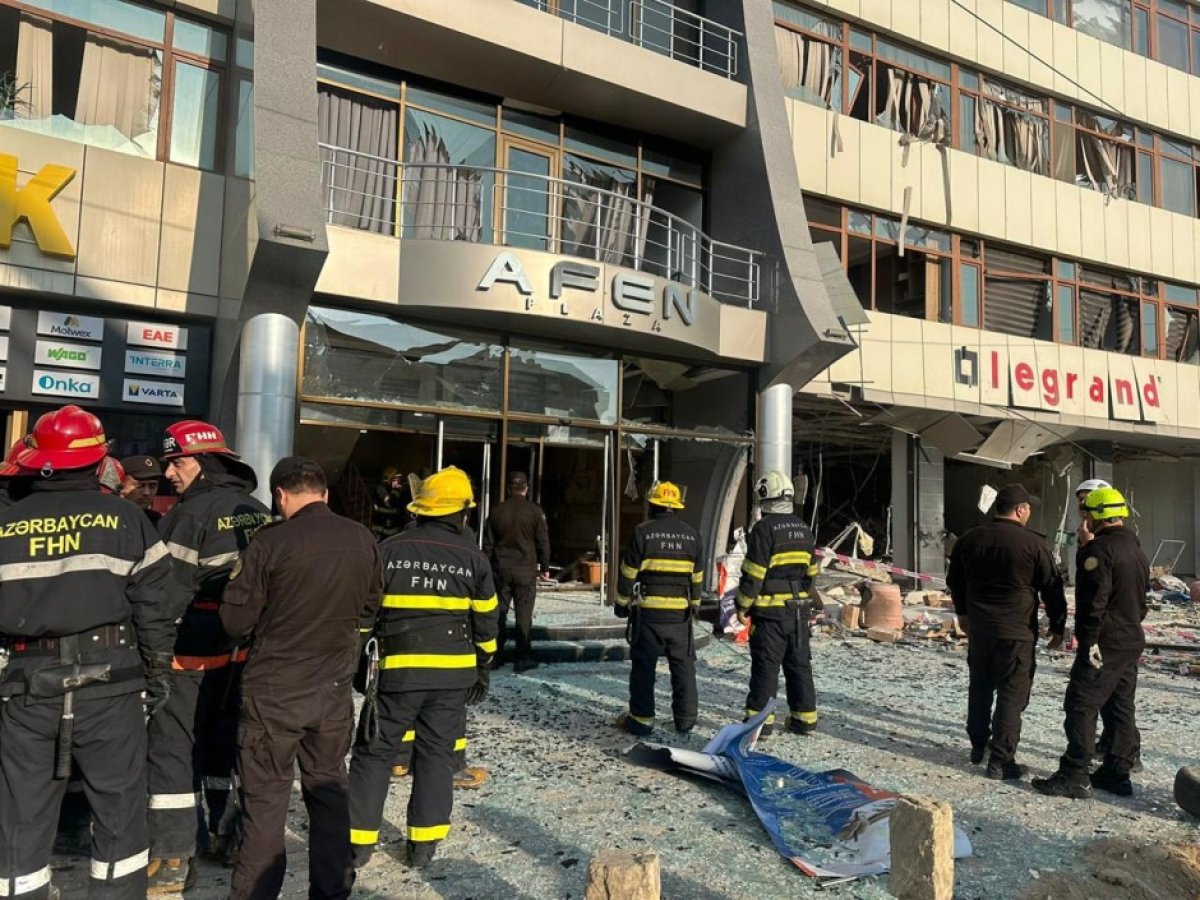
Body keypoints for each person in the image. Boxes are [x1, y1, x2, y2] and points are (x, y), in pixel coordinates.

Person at [0, 405, 185, 899]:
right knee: (120, 811)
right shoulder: (126, 518)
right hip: (112, 684)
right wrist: (157, 675)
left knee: (20, 817)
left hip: (27, 686)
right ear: (100, 461)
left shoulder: (6, 523)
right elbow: (156, 607)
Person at [220, 456, 382, 900]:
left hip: (273, 694)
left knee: (265, 805)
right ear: (324, 494)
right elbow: (370, 605)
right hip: (331, 691)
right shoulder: (362, 538)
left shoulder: (269, 543)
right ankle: (332, 891)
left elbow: (235, 622)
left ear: (280, 495)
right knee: (329, 794)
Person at [348, 466, 497, 870]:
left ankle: (359, 845)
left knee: (374, 753)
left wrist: (360, 661)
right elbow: (486, 624)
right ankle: (423, 847)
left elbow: (365, 614)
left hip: (396, 674)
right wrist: (483, 666)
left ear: (421, 509)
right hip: (452, 678)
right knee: (436, 754)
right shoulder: (474, 559)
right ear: (463, 512)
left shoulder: (388, 550)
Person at [147, 420, 271, 893]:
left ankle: (173, 858)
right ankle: (226, 833)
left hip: (189, 653)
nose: (169, 473)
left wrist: (153, 654)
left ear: (204, 461)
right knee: (225, 745)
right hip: (242, 653)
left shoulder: (189, 515)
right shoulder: (257, 510)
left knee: (173, 750)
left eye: (176, 462)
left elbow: (164, 594)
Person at [1034, 486, 1149, 800]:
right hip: (1130, 637)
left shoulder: (1099, 551)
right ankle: (1117, 772)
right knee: (1119, 705)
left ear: (1095, 516)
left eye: (1085, 512)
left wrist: (1089, 640)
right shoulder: (1135, 549)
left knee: (1081, 703)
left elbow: (1093, 600)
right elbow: (1141, 601)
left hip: (1105, 641)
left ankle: (1075, 773)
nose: (1082, 518)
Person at [946, 483, 1067, 781]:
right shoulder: (1033, 544)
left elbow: (955, 581)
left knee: (980, 687)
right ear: (1021, 510)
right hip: (1017, 632)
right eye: (1029, 508)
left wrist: (962, 613)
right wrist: (1058, 625)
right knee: (1012, 694)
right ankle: (1001, 760)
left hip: (980, 629)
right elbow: (1052, 588)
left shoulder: (969, 539)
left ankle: (978, 745)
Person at [613, 481, 703, 736]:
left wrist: (621, 604)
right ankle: (685, 720)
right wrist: (694, 606)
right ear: (676, 507)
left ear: (653, 505)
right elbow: (697, 578)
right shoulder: (693, 535)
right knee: (683, 668)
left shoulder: (643, 532)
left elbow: (628, 573)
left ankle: (641, 721)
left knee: (644, 667)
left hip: (649, 614)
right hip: (680, 616)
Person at [736, 471, 822, 737]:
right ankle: (804, 721)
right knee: (799, 666)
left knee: (766, 668)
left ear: (765, 497)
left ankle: (759, 726)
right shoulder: (804, 529)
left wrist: (742, 605)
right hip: (798, 613)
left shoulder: (764, 529)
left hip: (770, 615)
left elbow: (754, 574)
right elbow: (811, 574)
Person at [482, 471, 550, 673]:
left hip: (500, 569)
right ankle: (522, 658)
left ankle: (496, 656)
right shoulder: (534, 511)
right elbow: (543, 542)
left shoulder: (496, 511)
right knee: (524, 614)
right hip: (525, 570)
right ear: (526, 488)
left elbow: (488, 544)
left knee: (499, 613)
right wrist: (545, 567)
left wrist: (486, 570)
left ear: (508, 488)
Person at [121, 454, 164, 524]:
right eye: (140, 485)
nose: (147, 492)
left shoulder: (157, 521)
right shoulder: (109, 518)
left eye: (152, 486)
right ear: (121, 485)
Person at [371, 467, 406, 540]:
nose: (398, 480)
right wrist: (396, 490)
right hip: (382, 524)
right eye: (395, 477)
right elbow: (390, 503)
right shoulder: (380, 488)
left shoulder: (393, 487)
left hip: (393, 524)